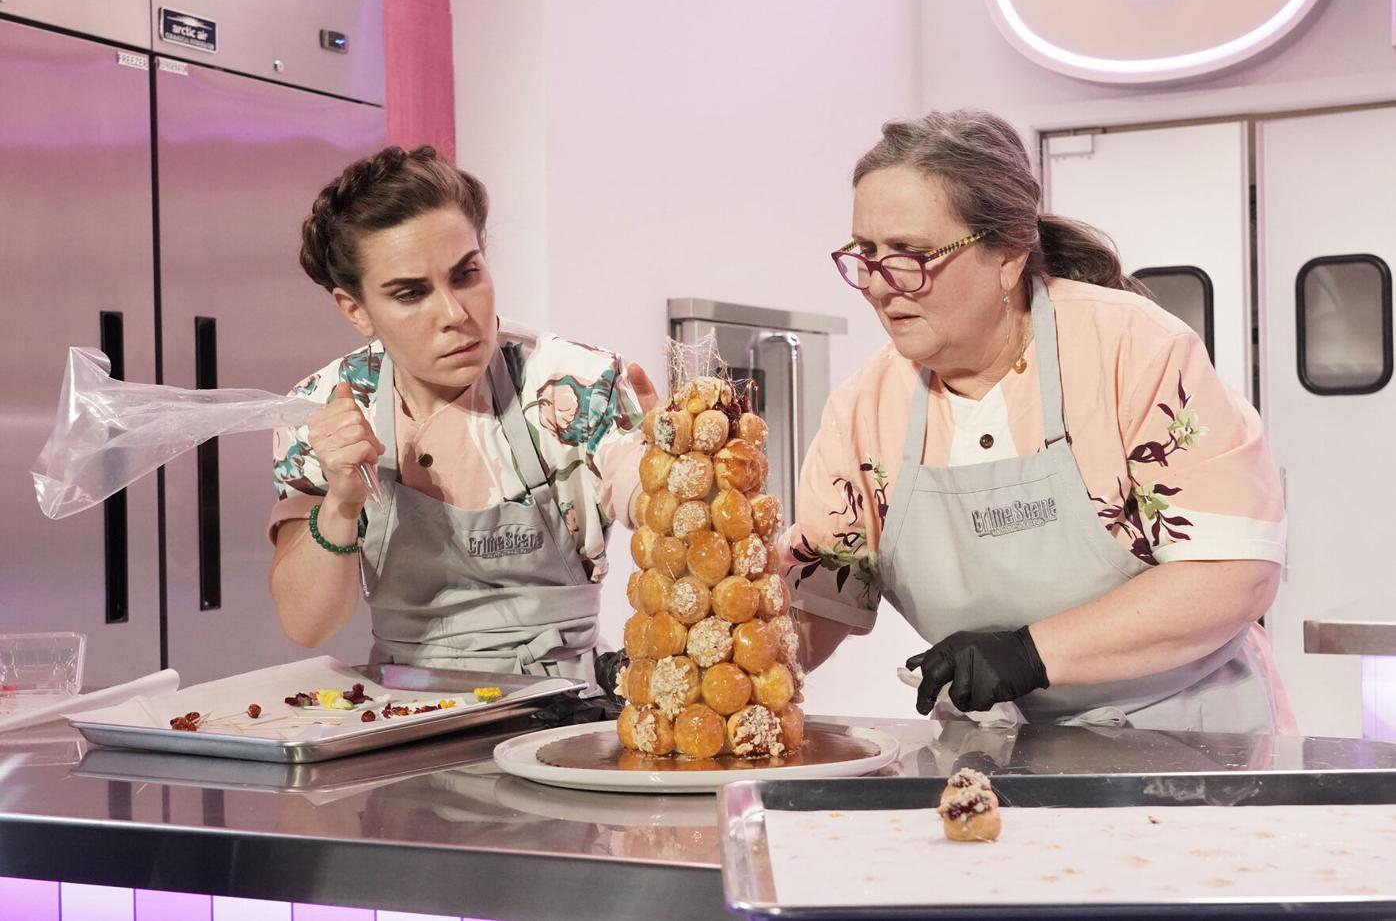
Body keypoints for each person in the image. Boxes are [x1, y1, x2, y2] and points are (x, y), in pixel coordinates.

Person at [782, 109, 1294, 732]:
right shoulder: (865, 411)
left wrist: (1030, 653)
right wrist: (695, 655)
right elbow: (817, 607)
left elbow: (1233, 574)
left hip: (1190, 733)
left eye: (911, 254)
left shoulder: (1133, 350)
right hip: (1002, 748)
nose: (880, 285)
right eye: (866, 253)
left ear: (1007, 257)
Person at [268, 145, 655, 683]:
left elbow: (650, 499)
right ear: (355, 310)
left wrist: (673, 468)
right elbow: (306, 623)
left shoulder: (573, 384)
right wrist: (341, 500)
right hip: (407, 712)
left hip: (565, 709)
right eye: (411, 294)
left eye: (466, 274)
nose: (455, 314)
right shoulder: (322, 411)